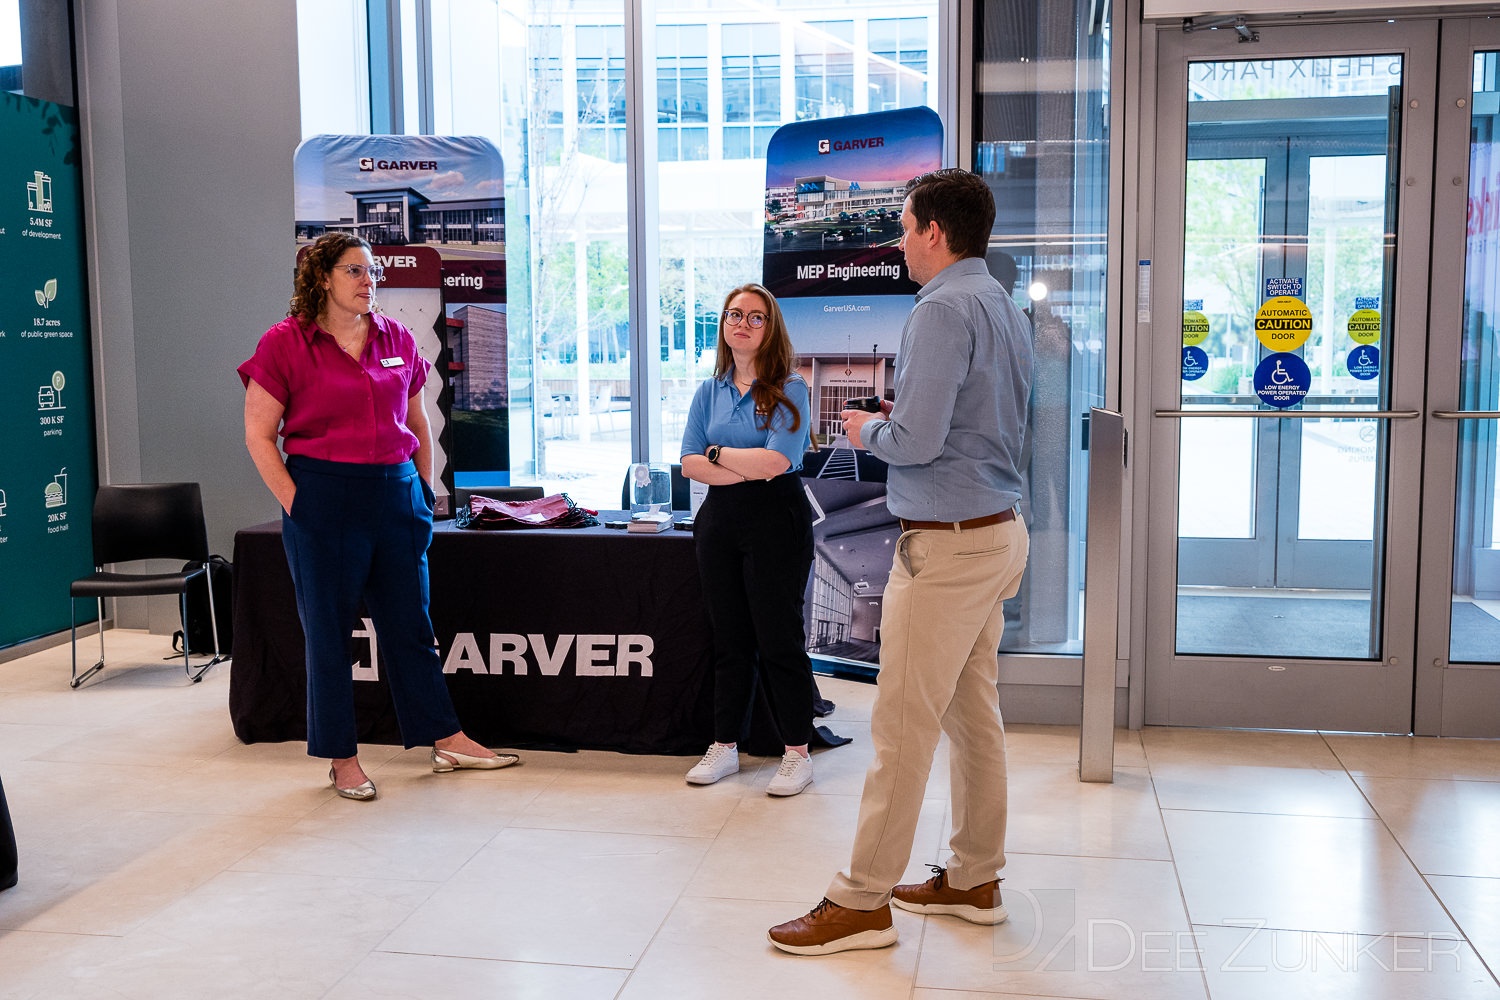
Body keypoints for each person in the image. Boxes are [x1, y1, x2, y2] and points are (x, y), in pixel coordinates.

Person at [768, 169, 1033, 954]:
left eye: (905, 227)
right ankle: (975, 877)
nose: (897, 242)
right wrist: (900, 418)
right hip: (994, 532)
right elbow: (970, 417)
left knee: (900, 727)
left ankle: (861, 899)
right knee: (971, 714)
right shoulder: (1000, 305)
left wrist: (864, 432)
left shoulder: (942, 308)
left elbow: (914, 443)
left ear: (934, 234)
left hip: (948, 546)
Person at [239, 233, 518, 802]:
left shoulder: (397, 337)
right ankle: (343, 758)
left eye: (373, 273)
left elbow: (420, 426)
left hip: (395, 496)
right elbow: (259, 436)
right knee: (329, 634)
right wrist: (298, 504)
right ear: (321, 278)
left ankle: (446, 737)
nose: (370, 281)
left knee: (412, 626)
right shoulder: (284, 344)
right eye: (355, 271)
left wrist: (423, 489)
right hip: (323, 496)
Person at [680, 283, 818, 797]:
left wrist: (718, 457)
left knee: (779, 639)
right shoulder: (708, 390)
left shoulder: (791, 387)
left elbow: (777, 462)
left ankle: (797, 752)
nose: (742, 323)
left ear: (770, 327)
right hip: (719, 522)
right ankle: (725, 746)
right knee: (730, 639)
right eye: (734, 315)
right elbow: (689, 460)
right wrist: (739, 465)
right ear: (723, 326)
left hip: (776, 521)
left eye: (755, 317)